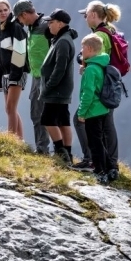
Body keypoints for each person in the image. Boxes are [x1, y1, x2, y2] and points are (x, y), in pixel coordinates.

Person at [79, 0, 122, 181]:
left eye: (86, 14)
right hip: (106, 92)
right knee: (105, 129)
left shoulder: (100, 36)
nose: (85, 17)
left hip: (97, 100)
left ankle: (102, 168)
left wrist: (85, 64)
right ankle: (109, 166)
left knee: (97, 135)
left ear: (94, 15)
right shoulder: (110, 30)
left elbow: (88, 91)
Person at [13, 0, 51, 154]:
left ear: (24, 14)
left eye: (19, 18)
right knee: (36, 113)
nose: (19, 22)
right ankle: (41, 149)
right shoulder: (31, 28)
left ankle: (58, 150)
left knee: (49, 114)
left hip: (48, 77)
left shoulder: (47, 26)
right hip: (36, 77)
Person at [40, 9, 77, 165]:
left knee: (47, 119)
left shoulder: (63, 42)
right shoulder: (62, 39)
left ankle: (60, 153)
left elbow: (59, 68)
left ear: (61, 24)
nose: (49, 25)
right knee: (63, 121)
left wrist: (48, 86)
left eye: (52, 22)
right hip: (62, 90)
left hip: (56, 90)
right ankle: (68, 155)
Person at [76, 33, 114, 184]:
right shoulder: (101, 63)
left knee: (94, 143)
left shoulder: (91, 69)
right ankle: (111, 169)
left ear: (90, 49)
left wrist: (82, 112)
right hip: (103, 109)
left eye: (83, 47)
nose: (81, 50)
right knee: (100, 141)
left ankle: (100, 172)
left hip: (93, 110)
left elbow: (88, 93)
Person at [0, 0, 28, 140]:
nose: (3, 13)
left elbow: (20, 52)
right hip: (5, 74)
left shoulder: (15, 27)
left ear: (10, 10)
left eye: (5, 10)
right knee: (9, 109)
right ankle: (19, 141)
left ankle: (11, 141)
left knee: (10, 107)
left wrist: (15, 75)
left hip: (17, 72)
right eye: (0, 11)